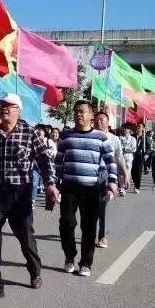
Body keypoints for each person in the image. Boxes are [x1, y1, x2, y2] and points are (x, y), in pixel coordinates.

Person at [0, 93, 54, 301]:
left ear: (18, 110)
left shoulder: (30, 133)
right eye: (2, 105)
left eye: (9, 106)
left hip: (20, 194)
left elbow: (44, 160)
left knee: (26, 238)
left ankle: (35, 270)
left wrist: (50, 184)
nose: (4, 108)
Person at [55, 101, 118, 278]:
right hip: (69, 188)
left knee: (89, 227)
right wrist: (54, 184)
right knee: (66, 224)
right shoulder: (65, 136)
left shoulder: (101, 137)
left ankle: (85, 263)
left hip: (92, 189)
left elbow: (110, 161)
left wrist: (112, 181)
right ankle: (69, 256)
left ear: (91, 115)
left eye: (82, 111)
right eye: (76, 111)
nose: (78, 114)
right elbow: (58, 162)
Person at [94, 111, 125, 249]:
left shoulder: (114, 139)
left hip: (106, 174)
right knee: (90, 206)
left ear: (108, 122)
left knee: (103, 205)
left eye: (101, 119)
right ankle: (89, 232)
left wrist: (125, 174)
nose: (98, 121)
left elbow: (119, 157)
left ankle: (103, 236)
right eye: (96, 119)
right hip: (90, 174)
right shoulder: (89, 136)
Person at [119, 125, 137, 196]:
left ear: (130, 130)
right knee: (121, 172)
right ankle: (122, 188)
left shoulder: (133, 139)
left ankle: (126, 182)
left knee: (127, 171)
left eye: (126, 128)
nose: (124, 130)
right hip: (121, 156)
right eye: (124, 128)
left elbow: (134, 149)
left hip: (129, 157)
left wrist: (125, 148)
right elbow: (119, 147)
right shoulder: (120, 138)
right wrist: (125, 148)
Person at [132, 123, 147, 193]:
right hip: (132, 156)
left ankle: (137, 187)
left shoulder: (145, 138)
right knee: (132, 172)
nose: (138, 127)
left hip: (140, 156)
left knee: (138, 172)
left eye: (140, 126)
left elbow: (149, 147)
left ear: (143, 128)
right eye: (138, 126)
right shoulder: (132, 136)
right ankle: (135, 182)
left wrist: (147, 154)